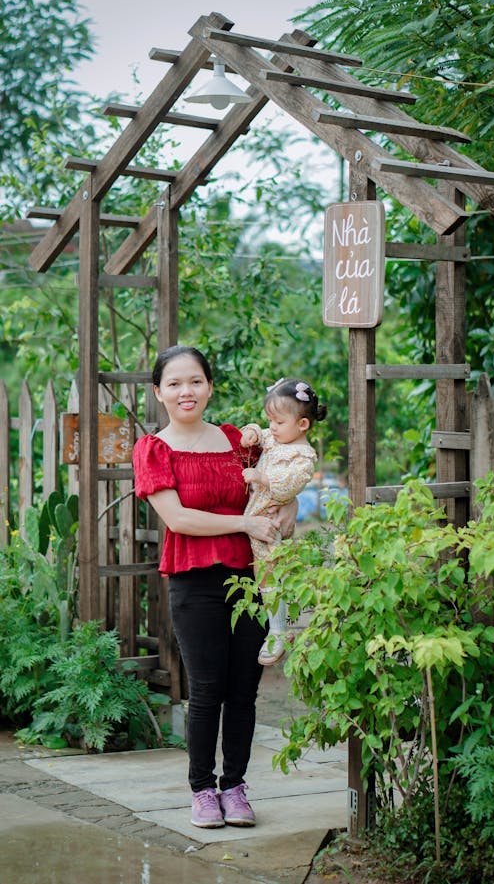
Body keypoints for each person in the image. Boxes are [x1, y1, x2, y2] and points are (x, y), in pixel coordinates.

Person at [132, 345, 296, 830]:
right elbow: (178, 519)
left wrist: (288, 506)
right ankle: (202, 789)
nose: (187, 391)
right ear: (159, 391)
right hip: (194, 580)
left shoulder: (235, 440)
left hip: (250, 579)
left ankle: (236, 787)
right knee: (206, 690)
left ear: (209, 386)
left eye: (196, 381)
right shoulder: (154, 449)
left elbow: (289, 458)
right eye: (176, 383)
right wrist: (246, 524)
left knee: (245, 690)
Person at [240, 377, 327, 666]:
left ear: (302, 425)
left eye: (277, 422)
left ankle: (279, 630)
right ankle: (281, 627)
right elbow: (261, 434)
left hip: (270, 520)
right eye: (270, 421)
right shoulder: (276, 439)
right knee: (268, 573)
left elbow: (290, 486)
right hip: (258, 517)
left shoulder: (302, 456)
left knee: (269, 574)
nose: (272, 428)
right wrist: (251, 432)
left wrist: (261, 477)